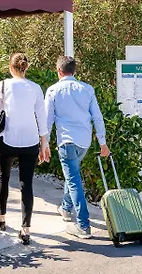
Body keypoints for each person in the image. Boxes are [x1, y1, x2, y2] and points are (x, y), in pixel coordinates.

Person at [0, 53, 49, 245]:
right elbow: (41, 117)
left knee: (3, 177)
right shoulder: (35, 88)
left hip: (7, 140)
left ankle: (1, 218)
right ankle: (25, 230)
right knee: (26, 184)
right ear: (26, 68)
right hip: (31, 141)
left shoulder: (3, 85)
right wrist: (44, 144)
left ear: (11, 68)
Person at [45, 56, 110, 239]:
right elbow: (97, 117)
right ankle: (66, 208)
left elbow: (47, 120)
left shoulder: (53, 90)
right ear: (74, 71)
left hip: (66, 142)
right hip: (84, 142)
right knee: (72, 174)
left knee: (73, 180)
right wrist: (103, 143)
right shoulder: (87, 89)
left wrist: (44, 144)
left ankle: (83, 225)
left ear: (59, 71)